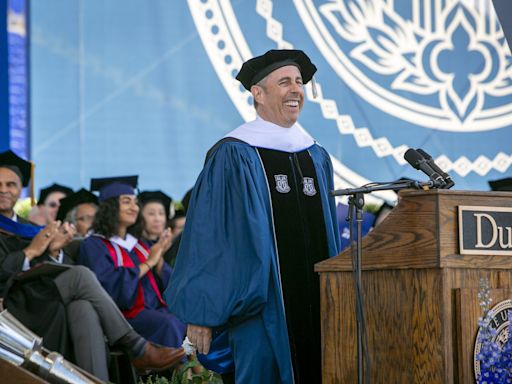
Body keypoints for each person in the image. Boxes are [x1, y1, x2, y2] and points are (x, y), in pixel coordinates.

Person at [166, 49, 340, 384]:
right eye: (284, 81)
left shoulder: (315, 156)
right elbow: (211, 236)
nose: (296, 89)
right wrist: (203, 311)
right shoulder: (235, 153)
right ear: (257, 93)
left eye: (300, 82)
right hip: (261, 311)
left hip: (318, 310)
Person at [0, 150, 185, 381]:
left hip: (44, 297)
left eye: (11, 184)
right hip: (13, 304)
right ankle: (137, 346)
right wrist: (31, 251)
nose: (4, 189)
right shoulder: (94, 244)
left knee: (83, 308)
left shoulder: (28, 228)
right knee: (80, 275)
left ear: (20, 189)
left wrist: (55, 251)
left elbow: (51, 270)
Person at [78, 176, 187, 351]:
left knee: (188, 318)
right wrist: (149, 262)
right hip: (122, 317)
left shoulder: (138, 243)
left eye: (136, 203)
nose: (134, 208)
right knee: (168, 323)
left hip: (153, 310)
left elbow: (167, 282)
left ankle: (197, 375)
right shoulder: (94, 245)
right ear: (111, 206)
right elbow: (110, 288)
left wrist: (158, 260)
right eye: (126, 202)